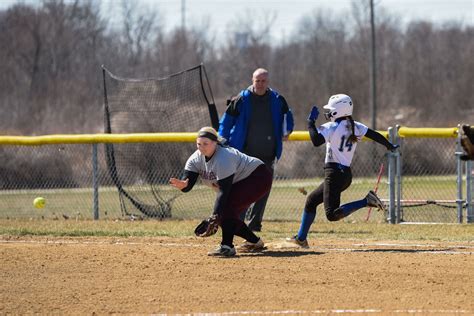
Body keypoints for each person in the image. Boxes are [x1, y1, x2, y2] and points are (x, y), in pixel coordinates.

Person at [288, 94, 399, 248]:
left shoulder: (332, 127)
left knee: (332, 215)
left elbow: (316, 141)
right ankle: (301, 238)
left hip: (333, 174)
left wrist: (310, 122)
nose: (328, 113)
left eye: (330, 110)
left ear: (337, 111)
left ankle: (366, 201)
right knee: (311, 201)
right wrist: (389, 145)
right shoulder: (356, 126)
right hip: (345, 175)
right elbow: (375, 135)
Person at [169, 127, 273, 257]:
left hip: (258, 177)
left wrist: (215, 216)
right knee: (227, 214)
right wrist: (184, 185)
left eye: (205, 144)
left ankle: (227, 247)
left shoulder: (224, 157)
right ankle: (254, 242)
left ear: (215, 143)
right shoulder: (195, 159)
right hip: (240, 181)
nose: (201, 147)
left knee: (225, 209)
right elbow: (188, 182)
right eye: (199, 144)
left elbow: (224, 192)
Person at [218, 68, 294, 232]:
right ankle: (237, 224)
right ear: (252, 81)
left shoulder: (278, 99)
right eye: (257, 81)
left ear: (268, 82)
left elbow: (288, 116)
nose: (260, 84)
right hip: (243, 155)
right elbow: (226, 122)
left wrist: (287, 131)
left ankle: (254, 227)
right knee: (241, 192)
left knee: (262, 191)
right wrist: (222, 141)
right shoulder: (241, 99)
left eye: (263, 81)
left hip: (267, 155)